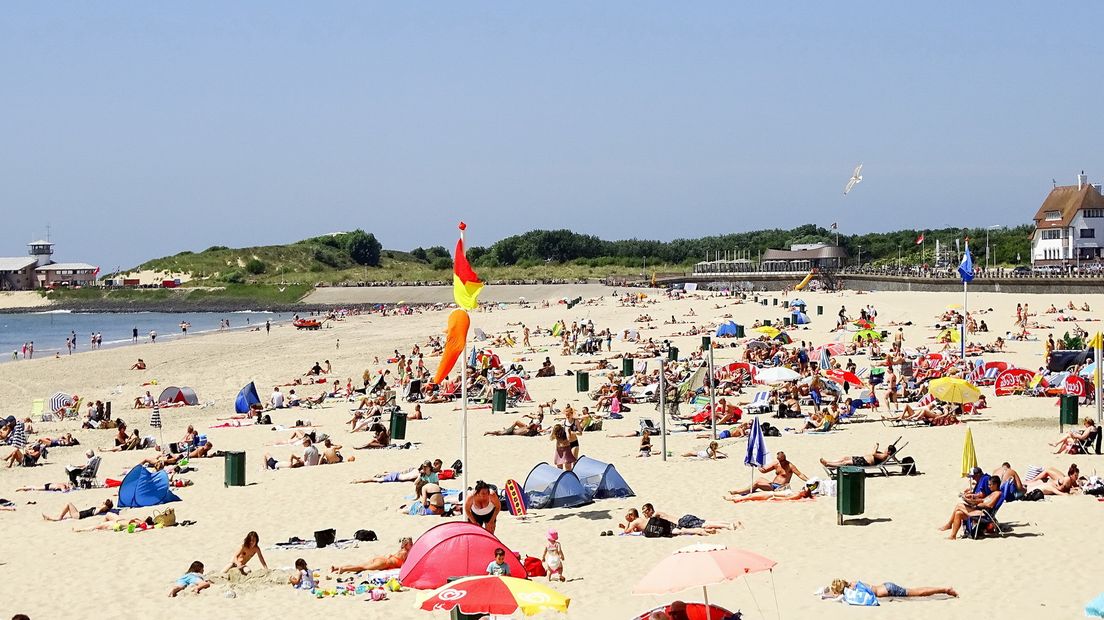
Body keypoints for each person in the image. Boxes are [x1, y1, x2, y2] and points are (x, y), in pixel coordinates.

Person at [940, 475, 1001, 539]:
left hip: (983, 514)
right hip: (979, 510)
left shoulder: (997, 493)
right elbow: (983, 500)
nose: (989, 486)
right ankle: (953, 536)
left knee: (959, 505)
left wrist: (979, 504)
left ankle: (949, 524)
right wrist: (972, 499)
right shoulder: (992, 493)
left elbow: (990, 505)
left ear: (996, 484)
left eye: (990, 485)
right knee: (958, 513)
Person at [727, 451, 807, 497]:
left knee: (757, 483)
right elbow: (764, 471)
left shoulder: (790, 466)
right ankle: (748, 490)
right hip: (773, 484)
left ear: (785, 458)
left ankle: (738, 492)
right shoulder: (776, 463)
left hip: (780, 488)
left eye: (782, 460)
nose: (781, 462)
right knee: (759, 479)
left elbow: (800, 474)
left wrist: (809, 480)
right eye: (779, 460)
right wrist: (758, 465)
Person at [331, 537, 413, 573]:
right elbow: (405, 565)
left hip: (382, 559)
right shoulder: (405, 553)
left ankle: (336, 568)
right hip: (384, 563)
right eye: (410, 543)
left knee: (360, 565)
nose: (412, 544)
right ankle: (343, 569)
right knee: (362, 567)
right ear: (406, 545)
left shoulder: (401, 550)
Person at [828, 578, 957, 600]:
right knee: (916, 592)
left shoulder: (852, 591)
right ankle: (944, 589)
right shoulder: (853, 583)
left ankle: (944, 589)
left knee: (918, 592)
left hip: (890, 590)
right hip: (886, 586)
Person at [820, 444, 897, 468]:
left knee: (845, 462)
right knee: (845, 458)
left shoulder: (884, 456)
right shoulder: (886, 455)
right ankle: (829, 462)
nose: (885, 449)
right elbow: (893, 456)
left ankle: (828, 464)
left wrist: (876, 447)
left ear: (889, 451)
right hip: (862, 459)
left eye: (886, 449)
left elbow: (873, 454)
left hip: (864, 462)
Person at [42, 498, 113, 521]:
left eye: (105, 502)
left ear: (106, 507)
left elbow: (105, 507)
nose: (103, 502)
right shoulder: (99, 509)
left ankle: (59, 518)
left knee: (69, 504)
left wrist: (108, 504)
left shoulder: (100, 509)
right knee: (68, 508)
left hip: (78, 516)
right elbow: (104, 506)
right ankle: (56, 518)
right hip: (79, 514)